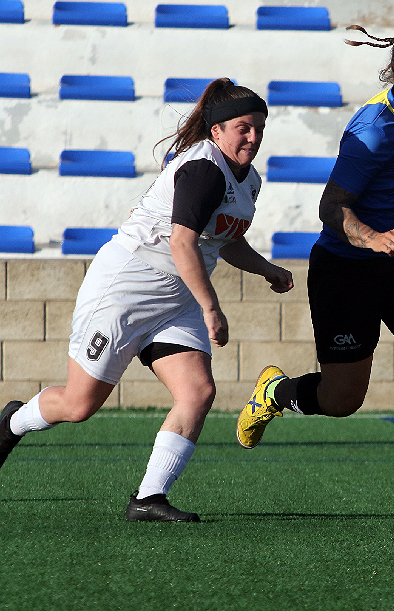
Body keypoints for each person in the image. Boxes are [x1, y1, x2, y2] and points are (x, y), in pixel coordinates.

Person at [236, 16, 394, 520]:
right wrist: (371, 236)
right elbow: (331, 208)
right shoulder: (372, 129)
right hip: (347, 270)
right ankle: (276, 391)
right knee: (341, 400)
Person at [0, 78, 293, 522]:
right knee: (79, 406)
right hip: (127, 289)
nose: (252, 136)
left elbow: (225, 239)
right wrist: (211, 307)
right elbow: (181, 243)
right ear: (216, 130)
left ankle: (149, 498)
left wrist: (267, 268)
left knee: (197, 391)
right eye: (242, 128)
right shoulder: (204, 169)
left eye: (258, 127)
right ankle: (11, 424)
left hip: (175, 299)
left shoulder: (248, 178)